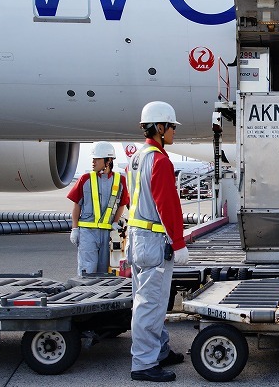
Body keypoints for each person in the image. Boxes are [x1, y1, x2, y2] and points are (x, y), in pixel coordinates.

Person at [127, 101, 189, 382]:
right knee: (150, 304)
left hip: (138, 238)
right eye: (171, 127)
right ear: (159, 128)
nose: (174, 132)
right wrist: (178, 242)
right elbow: (167, 205)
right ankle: (143, 364)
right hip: (152, 240)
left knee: (151, 300)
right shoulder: (161, 160)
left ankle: (159, 351)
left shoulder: (138, 158)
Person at [67, 141, 129, 276]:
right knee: (88, 269)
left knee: (105, 270)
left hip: (108, 233)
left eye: (97, 159)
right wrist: (75, 229)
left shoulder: (120, 180)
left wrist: (115, 222)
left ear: (108, 160)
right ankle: (84, 295)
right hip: (87, 233)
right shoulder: (85, 179)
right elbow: (77, 205)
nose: (93, 162)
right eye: (93, 159)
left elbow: (122, 204)